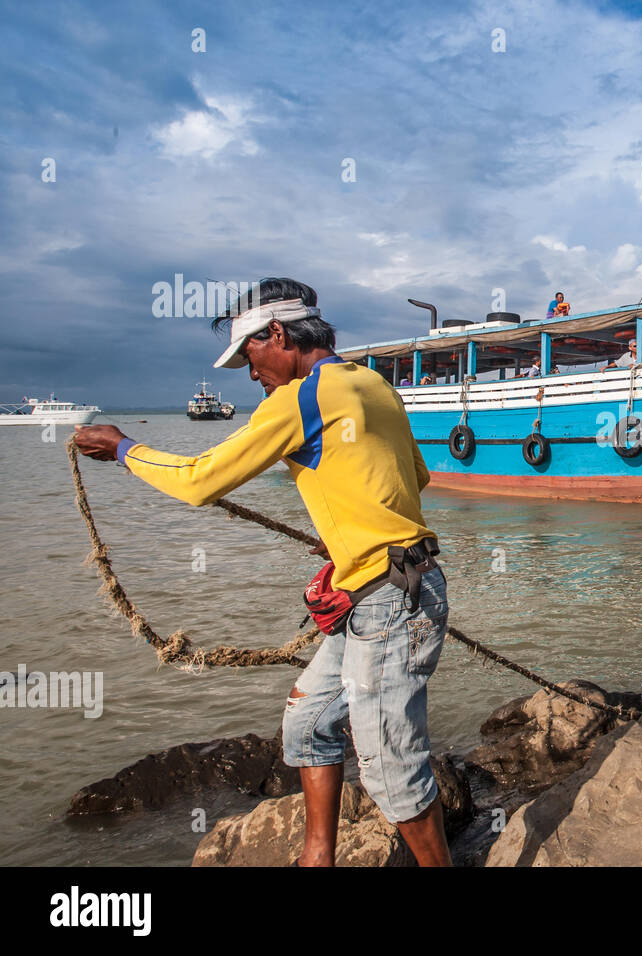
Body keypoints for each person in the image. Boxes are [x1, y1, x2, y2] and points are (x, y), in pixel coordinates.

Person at [71, 277, 452, 867]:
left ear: (277, 334)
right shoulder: (374, 384)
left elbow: (199, 479)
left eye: (248, 356)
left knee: (392, 777)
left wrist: (123, 448)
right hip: (400, 582)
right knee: (307, 723)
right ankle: (315, 858)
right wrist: (346, 543)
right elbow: (415, 478)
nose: (251, 374)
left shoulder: (300, 398)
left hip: (387, 605)